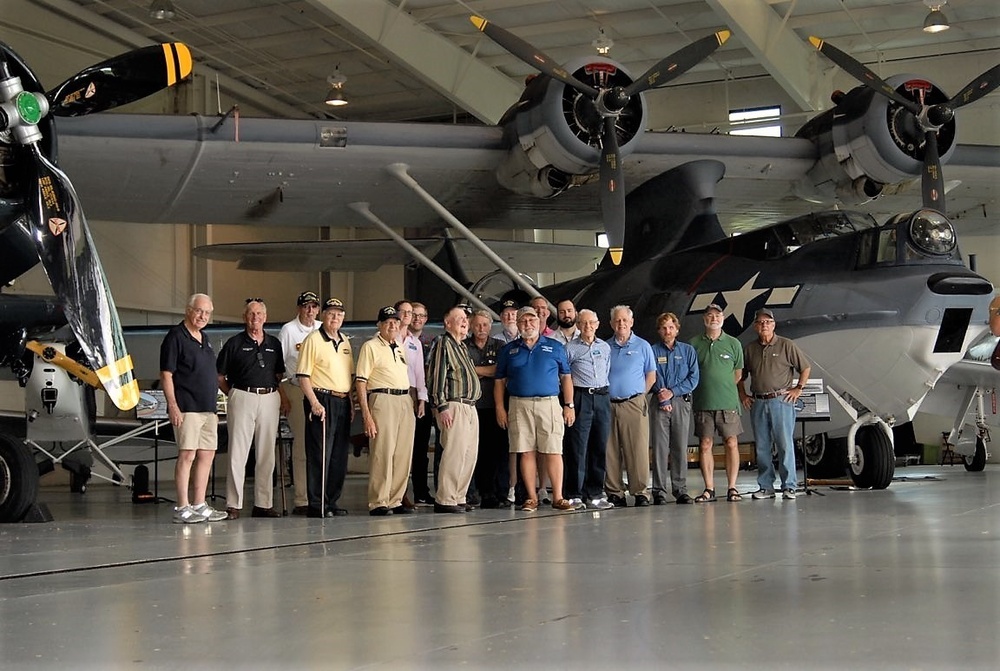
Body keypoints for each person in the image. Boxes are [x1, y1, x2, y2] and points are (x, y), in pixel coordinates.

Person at [494, 306, 576, 512]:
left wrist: (569, 405)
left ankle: (558, 496)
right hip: (519, 405)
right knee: (526, 451)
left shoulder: (555, 347)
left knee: (553, 451)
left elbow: (566, 377)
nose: (528, 325)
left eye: (532, 321)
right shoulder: (508, 350)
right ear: (518, 324)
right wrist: (500, 408)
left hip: (548, 403)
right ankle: (531, 497)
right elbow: (499, 381)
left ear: (539, 323)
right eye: (523, 321)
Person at [216, 299, 290, 519]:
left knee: (267, 453)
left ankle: (263, 504)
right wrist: (234, 394)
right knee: (238, 452)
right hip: (242, 395)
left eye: (259, 314)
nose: (255, 318)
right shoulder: (234, 343)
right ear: (244, 317)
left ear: (265, 317)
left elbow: (279, 374)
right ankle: (233, 504)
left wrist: (282, 398)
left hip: (269, 397)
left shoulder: (274, 344)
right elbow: (220, 376)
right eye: (251, 314)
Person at [160, 293, 228, 524]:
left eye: (207, 313)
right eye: (199, 311)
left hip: (208, 408)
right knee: (187, 454)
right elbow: (166, 374)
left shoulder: (205, 338)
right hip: (187, 406)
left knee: (207, 454)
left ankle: (199, 503)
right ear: (188, 310)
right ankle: (182, 506)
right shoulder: (175, 337)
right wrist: (173, 405)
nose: (203, 316)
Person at [739, 308, 811, 500]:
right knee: (762, 446)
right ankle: (766, 487)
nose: (764, 325)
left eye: (768, 322)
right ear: (755, 326)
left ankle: (789, 486)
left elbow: (805, 367)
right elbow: (740, 375)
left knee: (785, 444)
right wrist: (743, 395)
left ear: (774, 325)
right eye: (761, 322)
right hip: (759, 402)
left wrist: (799, 388)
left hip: (782, 401)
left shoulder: (786, 345)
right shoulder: (750, 349)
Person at [297, 298, 355, 517]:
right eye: (331, 314)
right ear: (323, 316)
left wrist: (350, 403)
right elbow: (303, 376)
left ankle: (331, 501)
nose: (335, 318)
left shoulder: (346, 341)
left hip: (341, 400)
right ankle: (317, 503)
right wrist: (314, 403)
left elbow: (349, 376)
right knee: (320, 453)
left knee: (339, 455)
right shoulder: (313, 339)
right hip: (322, 398)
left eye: (339, 315)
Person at [356, 306, 415, 516]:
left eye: (395, 322)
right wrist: (366, 415)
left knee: (402, 453)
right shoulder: (370, 346)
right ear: (379, 325)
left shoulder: (398, 347)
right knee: (383, 451)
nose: (392, 325)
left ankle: (395, 499)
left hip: (403, 399)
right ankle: (379, 500)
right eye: (387, 322)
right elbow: (361, 381)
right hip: (383, 398)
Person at [427, 306, 481, 513]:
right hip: (454, 404)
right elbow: (437, 376)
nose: (464, 321)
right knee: (454, 452)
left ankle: (459, 495)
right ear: (447, 323)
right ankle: (445, 498)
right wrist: (441, 406)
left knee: (468, 454)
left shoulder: (462, 347)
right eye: (458, 318)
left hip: (470, 405)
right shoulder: (443, 343)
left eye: (465, 318)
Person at [690, 304, 744, 503]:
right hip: (703, 403)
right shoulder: (694, 344)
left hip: (728, 403)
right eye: (710, 315)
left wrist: (722, 387)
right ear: (704, 319)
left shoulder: (733, 343)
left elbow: (738, 374)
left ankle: (732, 488)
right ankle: (709, 488)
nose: (714, 318)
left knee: (731, 443)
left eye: (718, 315)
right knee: (705, 445)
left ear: (723, 317)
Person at [605, 305, 657, 507]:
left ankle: (640, 492)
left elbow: (651, 375)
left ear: (631, 322)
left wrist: (639, 396)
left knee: (637, 449)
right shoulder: (605, 346)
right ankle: (615, 492)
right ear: (611, 324)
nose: (621, 324)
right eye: (617, 320)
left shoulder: (643, 346)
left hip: (633, 403)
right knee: (610, 450)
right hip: (609, 404)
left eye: (625, 320)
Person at [563, 309, 614, 509]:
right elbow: (564, 376)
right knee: (577, 446)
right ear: (578, 325)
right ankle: (575, 493)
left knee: (599, 445)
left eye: (591, 323)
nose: (588, 327)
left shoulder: (605, 347)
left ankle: (595, 493)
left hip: (601, 396)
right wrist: (570, 404)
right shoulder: (570, 348)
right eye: (583, 323)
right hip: (581, 396)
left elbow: (607, 369)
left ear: (598, 324)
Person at [650, 312, 700, 505]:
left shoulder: (688, 351)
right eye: (663, 328)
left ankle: (680, 489)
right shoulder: (652, 350)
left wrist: (673, 392)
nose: (667, 331)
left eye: (671, 327)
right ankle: (659, 491)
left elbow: (694, 378)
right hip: (658, 401)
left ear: (677, 329)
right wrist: (663, 397)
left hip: (681, 402)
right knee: (660, 448)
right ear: (659, 331)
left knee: (680, 446)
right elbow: (651, 374)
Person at [278, 291, 321, 515]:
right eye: (306, 306)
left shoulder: (323, 328)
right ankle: (302, 498)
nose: (310, 311)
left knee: (321, 445)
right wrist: (283, 396)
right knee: (303, 445)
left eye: (314, 306)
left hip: (321, 392)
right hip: (296, 389)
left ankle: (321, 495)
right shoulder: (289, 330)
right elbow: (279, 366)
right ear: (299, 308)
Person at [465, 310, 509, 508]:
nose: (481, 328)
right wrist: (486, 372)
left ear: (491, 326)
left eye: (485, 325)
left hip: (494, 407)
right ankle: (471, 493)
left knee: (495, 452)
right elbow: (461, 371)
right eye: (477, 325)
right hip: (471, 407)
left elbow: (501, 370)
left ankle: (493, 493)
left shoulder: (500, 346)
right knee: (472, 451)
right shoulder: (463, 346)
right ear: (471, 326)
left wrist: (475, 370)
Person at [406, 301, 436, 505]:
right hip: (404, 394)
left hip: (423, 397)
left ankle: (421, 491)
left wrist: (424, 399)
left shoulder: (430, 342)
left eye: (421, 315)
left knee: (420, 448)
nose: (417, 319)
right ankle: (398, 494)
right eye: (413, 315)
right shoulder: (399, 338)